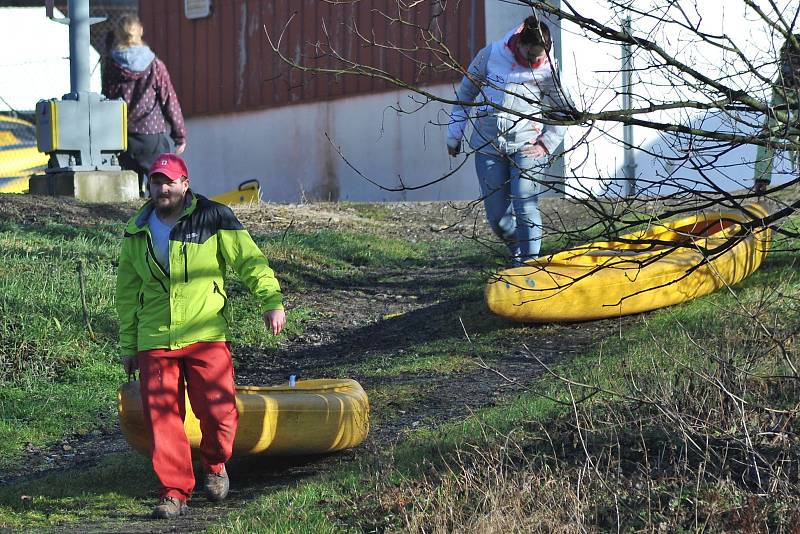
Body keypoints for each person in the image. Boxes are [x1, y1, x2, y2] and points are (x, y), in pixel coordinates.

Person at [116, 153, 286, 519]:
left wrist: (271, 300)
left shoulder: (213, 216)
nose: (162, 188)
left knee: (219, 412)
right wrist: (129, 345)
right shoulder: (136, 230)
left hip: (206, 331)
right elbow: (128, 294)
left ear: (185, 184)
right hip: (155, 337)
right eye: (156, 182)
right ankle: (173, 491)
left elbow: (249, 261)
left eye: (169, 181)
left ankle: (214, 463)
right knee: (163, 418)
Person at [446, 15, 572, 265]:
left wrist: (545, 143)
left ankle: (528, 265)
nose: (535, 61)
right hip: (488, 145)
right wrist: (454, 134)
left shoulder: (548, 70)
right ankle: (517, 244)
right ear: (519, 43)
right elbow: (465, 95)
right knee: (498, 219)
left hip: (527, 146)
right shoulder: (491, 55)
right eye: (530, 56)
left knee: (525, 203)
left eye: (539, 56)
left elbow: (566, 112)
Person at [102, 15, 187, 197]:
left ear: (118, 34)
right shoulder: (155, 65)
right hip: (151, 135)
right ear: (140, 31)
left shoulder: (111, 65)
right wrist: (179, 135)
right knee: (160, 190)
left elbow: (107, 101)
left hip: (122, 137)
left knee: (128, 193)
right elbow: (169, 100)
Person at [754, 33, 800, 196]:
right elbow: (769, 134)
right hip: (785, 88)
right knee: (772, 131)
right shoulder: (781, 88)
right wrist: (761, 178)